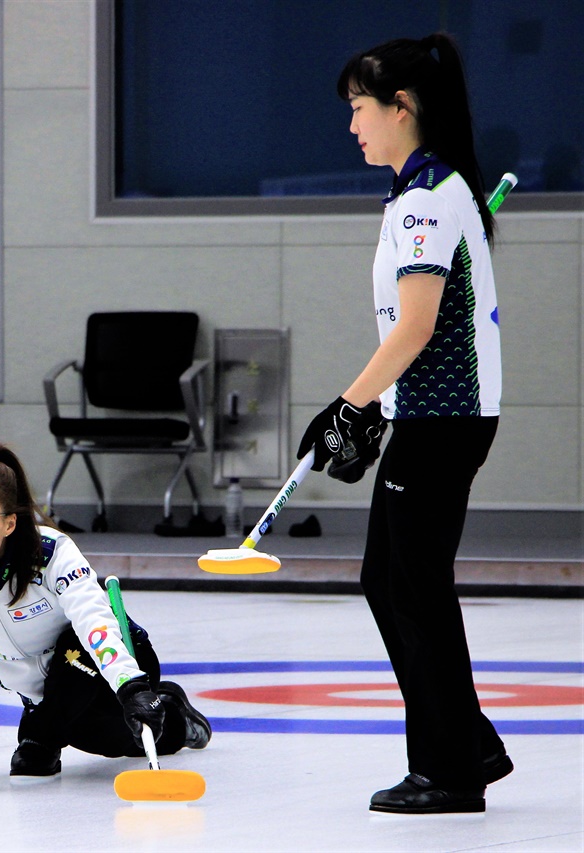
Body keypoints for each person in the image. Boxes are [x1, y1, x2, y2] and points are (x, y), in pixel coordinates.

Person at [297, 33, 510, 814]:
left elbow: (416, 328)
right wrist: (374, 405)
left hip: (445, 417)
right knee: (391, 581)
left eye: (359, 108)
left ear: (402, 107)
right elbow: (412, 327)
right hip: (433, 414)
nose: (352, 125)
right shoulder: (425, 190)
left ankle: (449, 768)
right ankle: (469, 739)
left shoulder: (425, 200)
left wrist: (348, 407)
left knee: (413, 589)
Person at [0, 443, 210, 779]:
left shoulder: (51, 553)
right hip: (45, 688)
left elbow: (94, 622)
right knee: (102, 738)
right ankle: (173, 712)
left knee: (68, 667)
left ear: (9, 524)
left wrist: (132, 687)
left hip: (115, 659)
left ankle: (44, 732)